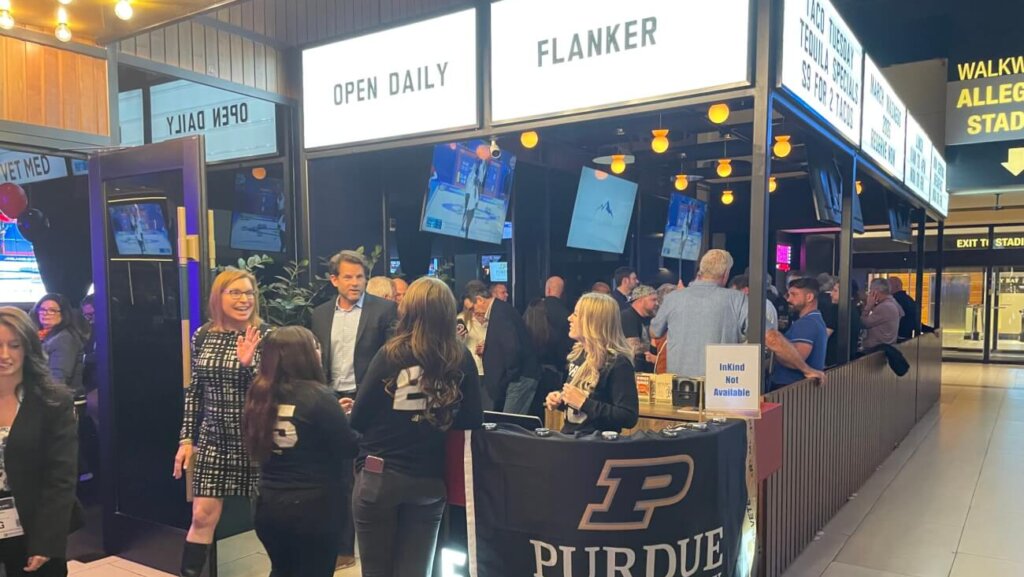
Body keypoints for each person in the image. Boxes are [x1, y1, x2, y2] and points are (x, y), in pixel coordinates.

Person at [349, 277, 483, 577]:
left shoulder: (391, 353)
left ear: (408, 310)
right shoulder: (460, 357)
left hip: (378, 476)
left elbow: (358, 418)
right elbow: (473, 420)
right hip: (429, 479)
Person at [174, 269, 269, 577]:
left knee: (269, 521)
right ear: (219, 297)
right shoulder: (203, 335)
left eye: (249, 293)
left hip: (256, 439)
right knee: (201, 517)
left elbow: (272, 392)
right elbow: (194, 390)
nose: (244, 300)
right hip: (214, 438)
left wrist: (247, 367)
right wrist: (187, 439)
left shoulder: (267, 336)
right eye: (236, 293)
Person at [243, 326, 359, 577]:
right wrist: (343, 418)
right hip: (314, 508)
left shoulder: (258, 393)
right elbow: (348, 446)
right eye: (316, 347)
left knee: (282, 570)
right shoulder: (318, 396)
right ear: (305, 355)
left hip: (268, 503)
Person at [311, 250, 398, 570]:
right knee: (335, 476)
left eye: (360, 276)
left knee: (365, 476)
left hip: (370, 402)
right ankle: (340, 547)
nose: (355, 282)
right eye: (348, 277)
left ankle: (365, 546)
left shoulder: (385, 310)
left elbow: (391, 360)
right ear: (334, 280)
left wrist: (364, 399)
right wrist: (326, 398)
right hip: (329, 400)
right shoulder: (319, 314)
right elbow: (315, 362)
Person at [0, 307, 82, 577]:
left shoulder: (52, 402)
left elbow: (61, 478)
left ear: (28, 348)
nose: (4, 355)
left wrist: (47, 541)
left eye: (14, 345)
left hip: (32, 530)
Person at [544, 293, 639, 434]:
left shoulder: (617, 363)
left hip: (595, 447)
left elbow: (628, 417)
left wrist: (585, 403)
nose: (569, 318)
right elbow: (581, 398)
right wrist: (560, 398)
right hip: (570, 440)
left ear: (592, 322)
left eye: (576, 314)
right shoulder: (579, 355)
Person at [651, 250, 748, 377]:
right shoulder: (738, 299)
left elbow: (654, 331)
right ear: (725, 274)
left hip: (679, 385)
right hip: (721, 385)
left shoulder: (673, 298)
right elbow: (757, 335)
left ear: (701, 271)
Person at [465, 280, 538, 414]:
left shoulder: (499, 313)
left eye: (472, 308)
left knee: (510, 426)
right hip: (517, 378)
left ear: (480, 300)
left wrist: (508, 378)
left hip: (519, 379)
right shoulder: (499, 310)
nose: (473, 313)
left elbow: (512, 348)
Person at [767, 278, 829, 391]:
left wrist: (777, 348)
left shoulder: (807, 323)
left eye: (794, 295)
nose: (789, 299)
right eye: (788, 294)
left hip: (789, 388)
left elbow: (797, 357)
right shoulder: (815, 320)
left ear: (809, 297)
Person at [30, 294, 85, 399]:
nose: (46, 313)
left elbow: (58, 379)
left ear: (63, 314)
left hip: (59, 400)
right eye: (42, 309)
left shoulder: (65, 339)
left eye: (52, 310)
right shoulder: (38, 336)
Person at [621, 285, 659, 373]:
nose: (656, 303)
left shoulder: (651, 317)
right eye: (653, 300)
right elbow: (634, 348)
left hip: (650, 369)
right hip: (635, 371)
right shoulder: (627, 317)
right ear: (640, 300)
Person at [861, 278, 904, 350]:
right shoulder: (893, 302)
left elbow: (863, 323)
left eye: (870, 290)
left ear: (876, 292)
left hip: (876, 349)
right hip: (888, 346)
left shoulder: (884, 307)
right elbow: (901, 314)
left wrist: (868, 307)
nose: (869, 293)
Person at [542, 276, 573, 366]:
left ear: (548, 290)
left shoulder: (534, 310)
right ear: (562, 292)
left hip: (537, 364)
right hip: (559, 363)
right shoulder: (567, 314)